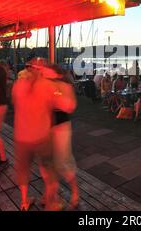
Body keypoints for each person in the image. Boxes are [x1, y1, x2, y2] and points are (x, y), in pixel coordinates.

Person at [12, 58, 76, 211]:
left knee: (23, 171)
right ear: (40, 70)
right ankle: (51, 204)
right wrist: (59, 89)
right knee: (49, 170)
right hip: (41, 135)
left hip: (22, 136)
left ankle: (24, 201)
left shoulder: (18, 85)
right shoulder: (46, 86)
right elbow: (68, 106)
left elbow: (16, 102)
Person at [42, 64, 79, 210]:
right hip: (43, 127)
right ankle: (50, 195)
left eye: (46, 71)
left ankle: (75, 192)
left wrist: (54, 97)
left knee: (63, 162)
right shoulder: (41, 86)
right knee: (46, 164)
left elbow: (70, 106)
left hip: (60, 127)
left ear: (56, 74)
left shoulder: (64, 86)